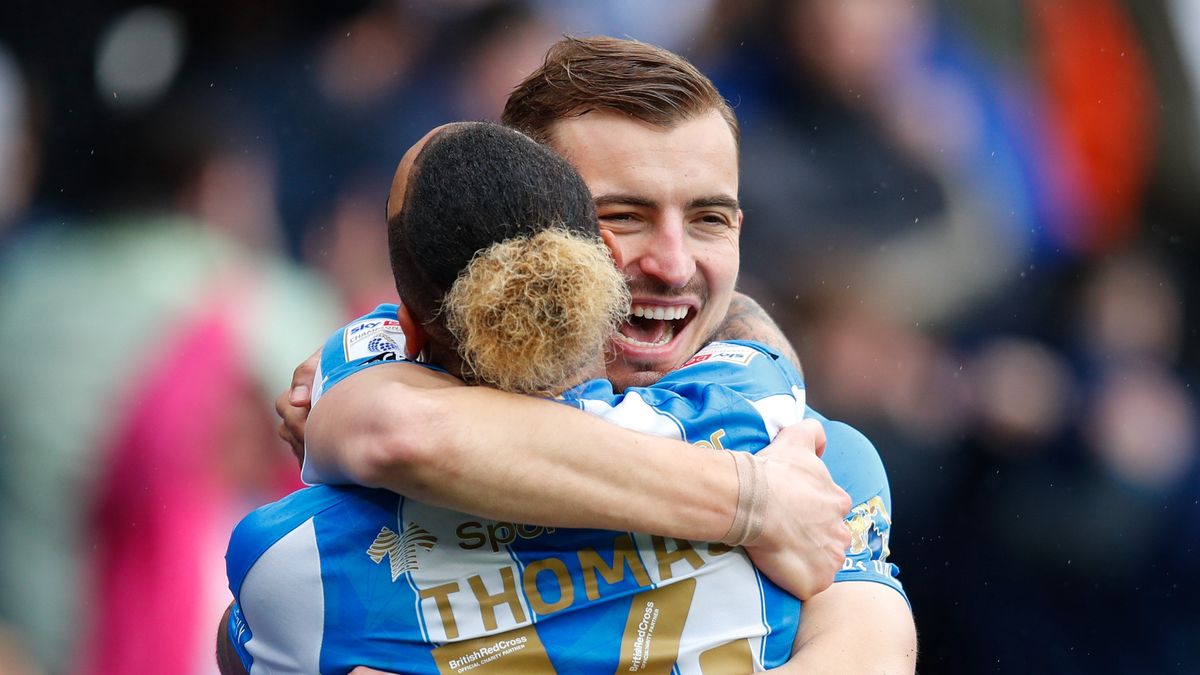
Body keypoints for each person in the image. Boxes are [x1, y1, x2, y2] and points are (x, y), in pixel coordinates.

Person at [283, 36, 916, 666]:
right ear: (519, 228)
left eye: (708, 220)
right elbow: (399, 433)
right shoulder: (372, 415)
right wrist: (754, 502)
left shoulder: (813, 461)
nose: (673, 266)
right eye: (622, 216)